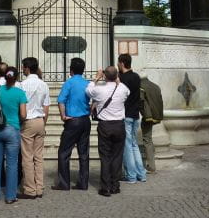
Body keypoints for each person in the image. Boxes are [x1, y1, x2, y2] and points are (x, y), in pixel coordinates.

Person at [87, 66, 130, 197]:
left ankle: (105, 187)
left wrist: (97, 77)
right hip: (119, 125)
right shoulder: (123, 89)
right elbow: (127, 91)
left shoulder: (99, 90)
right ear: (117, 76)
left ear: (105, 76)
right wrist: (116, 79)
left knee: (105, 157)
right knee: (117, 156)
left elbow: (88, 90)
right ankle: (115, 186)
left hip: (105, 125)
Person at [0, 65, 27, 204]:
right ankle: (10, 196)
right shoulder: (20, 93)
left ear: (5, 76)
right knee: (12, 164)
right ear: (16, 78)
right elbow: (23, 114)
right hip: (12, 129)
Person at [54, 57, 91, 191]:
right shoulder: (88, 83)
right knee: (84, 153)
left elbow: (61, 100)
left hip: (73, 120)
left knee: (64, 152)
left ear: (71, 70)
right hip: (85, 120)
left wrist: (63, 116)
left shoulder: (69, 83)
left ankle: (64, 183)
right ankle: (83, 182)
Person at [18, 57, 50, 199]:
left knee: (27, 157)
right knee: (38, 156)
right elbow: (46, 106)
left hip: (28, 121)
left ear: (27, 68)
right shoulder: (44, 85)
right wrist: (44, 122)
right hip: (40, 120)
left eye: (23, 67)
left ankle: (30, 189)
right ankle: (39, 187)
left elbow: (20, 106)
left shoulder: (22, 85)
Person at [117, 53, 146, 183]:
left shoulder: (123, 79)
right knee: (134, 145)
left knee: (127, 146)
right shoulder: (136, 77)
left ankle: (131, 176)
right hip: (135, 115)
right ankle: (141, 174)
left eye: (118, 63)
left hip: (126, 115)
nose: (117, 65)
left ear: (122, 63)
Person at [139, 74, 163, 173]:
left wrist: (144, 114)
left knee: (147, 140)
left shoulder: (141, 86)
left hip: (148, 117)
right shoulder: (155, 86)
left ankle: (152, 167)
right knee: (149, 139)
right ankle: (151, 163)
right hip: (156, 115)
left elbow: (141, 102)